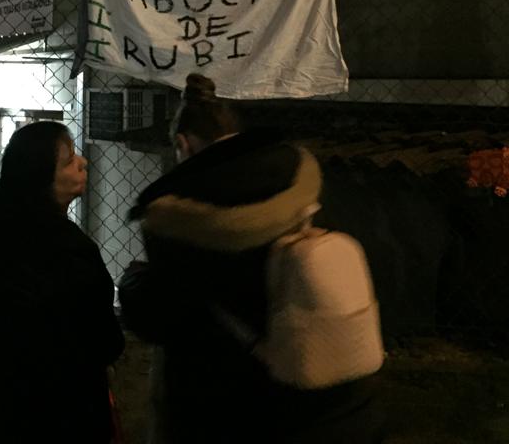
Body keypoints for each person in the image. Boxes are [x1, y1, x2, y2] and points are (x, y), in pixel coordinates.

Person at [119, 73, 384, 444]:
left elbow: (167, 315)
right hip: (338, 400)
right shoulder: (301, 174)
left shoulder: (182, 212)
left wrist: (133, 285)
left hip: (231, 410)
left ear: (183, 144)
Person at [0, 120, 125, 444]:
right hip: (65, 412)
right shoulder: (70, 250)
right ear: (41, 178)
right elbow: (104, 338)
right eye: (68, 160)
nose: (82, 162)